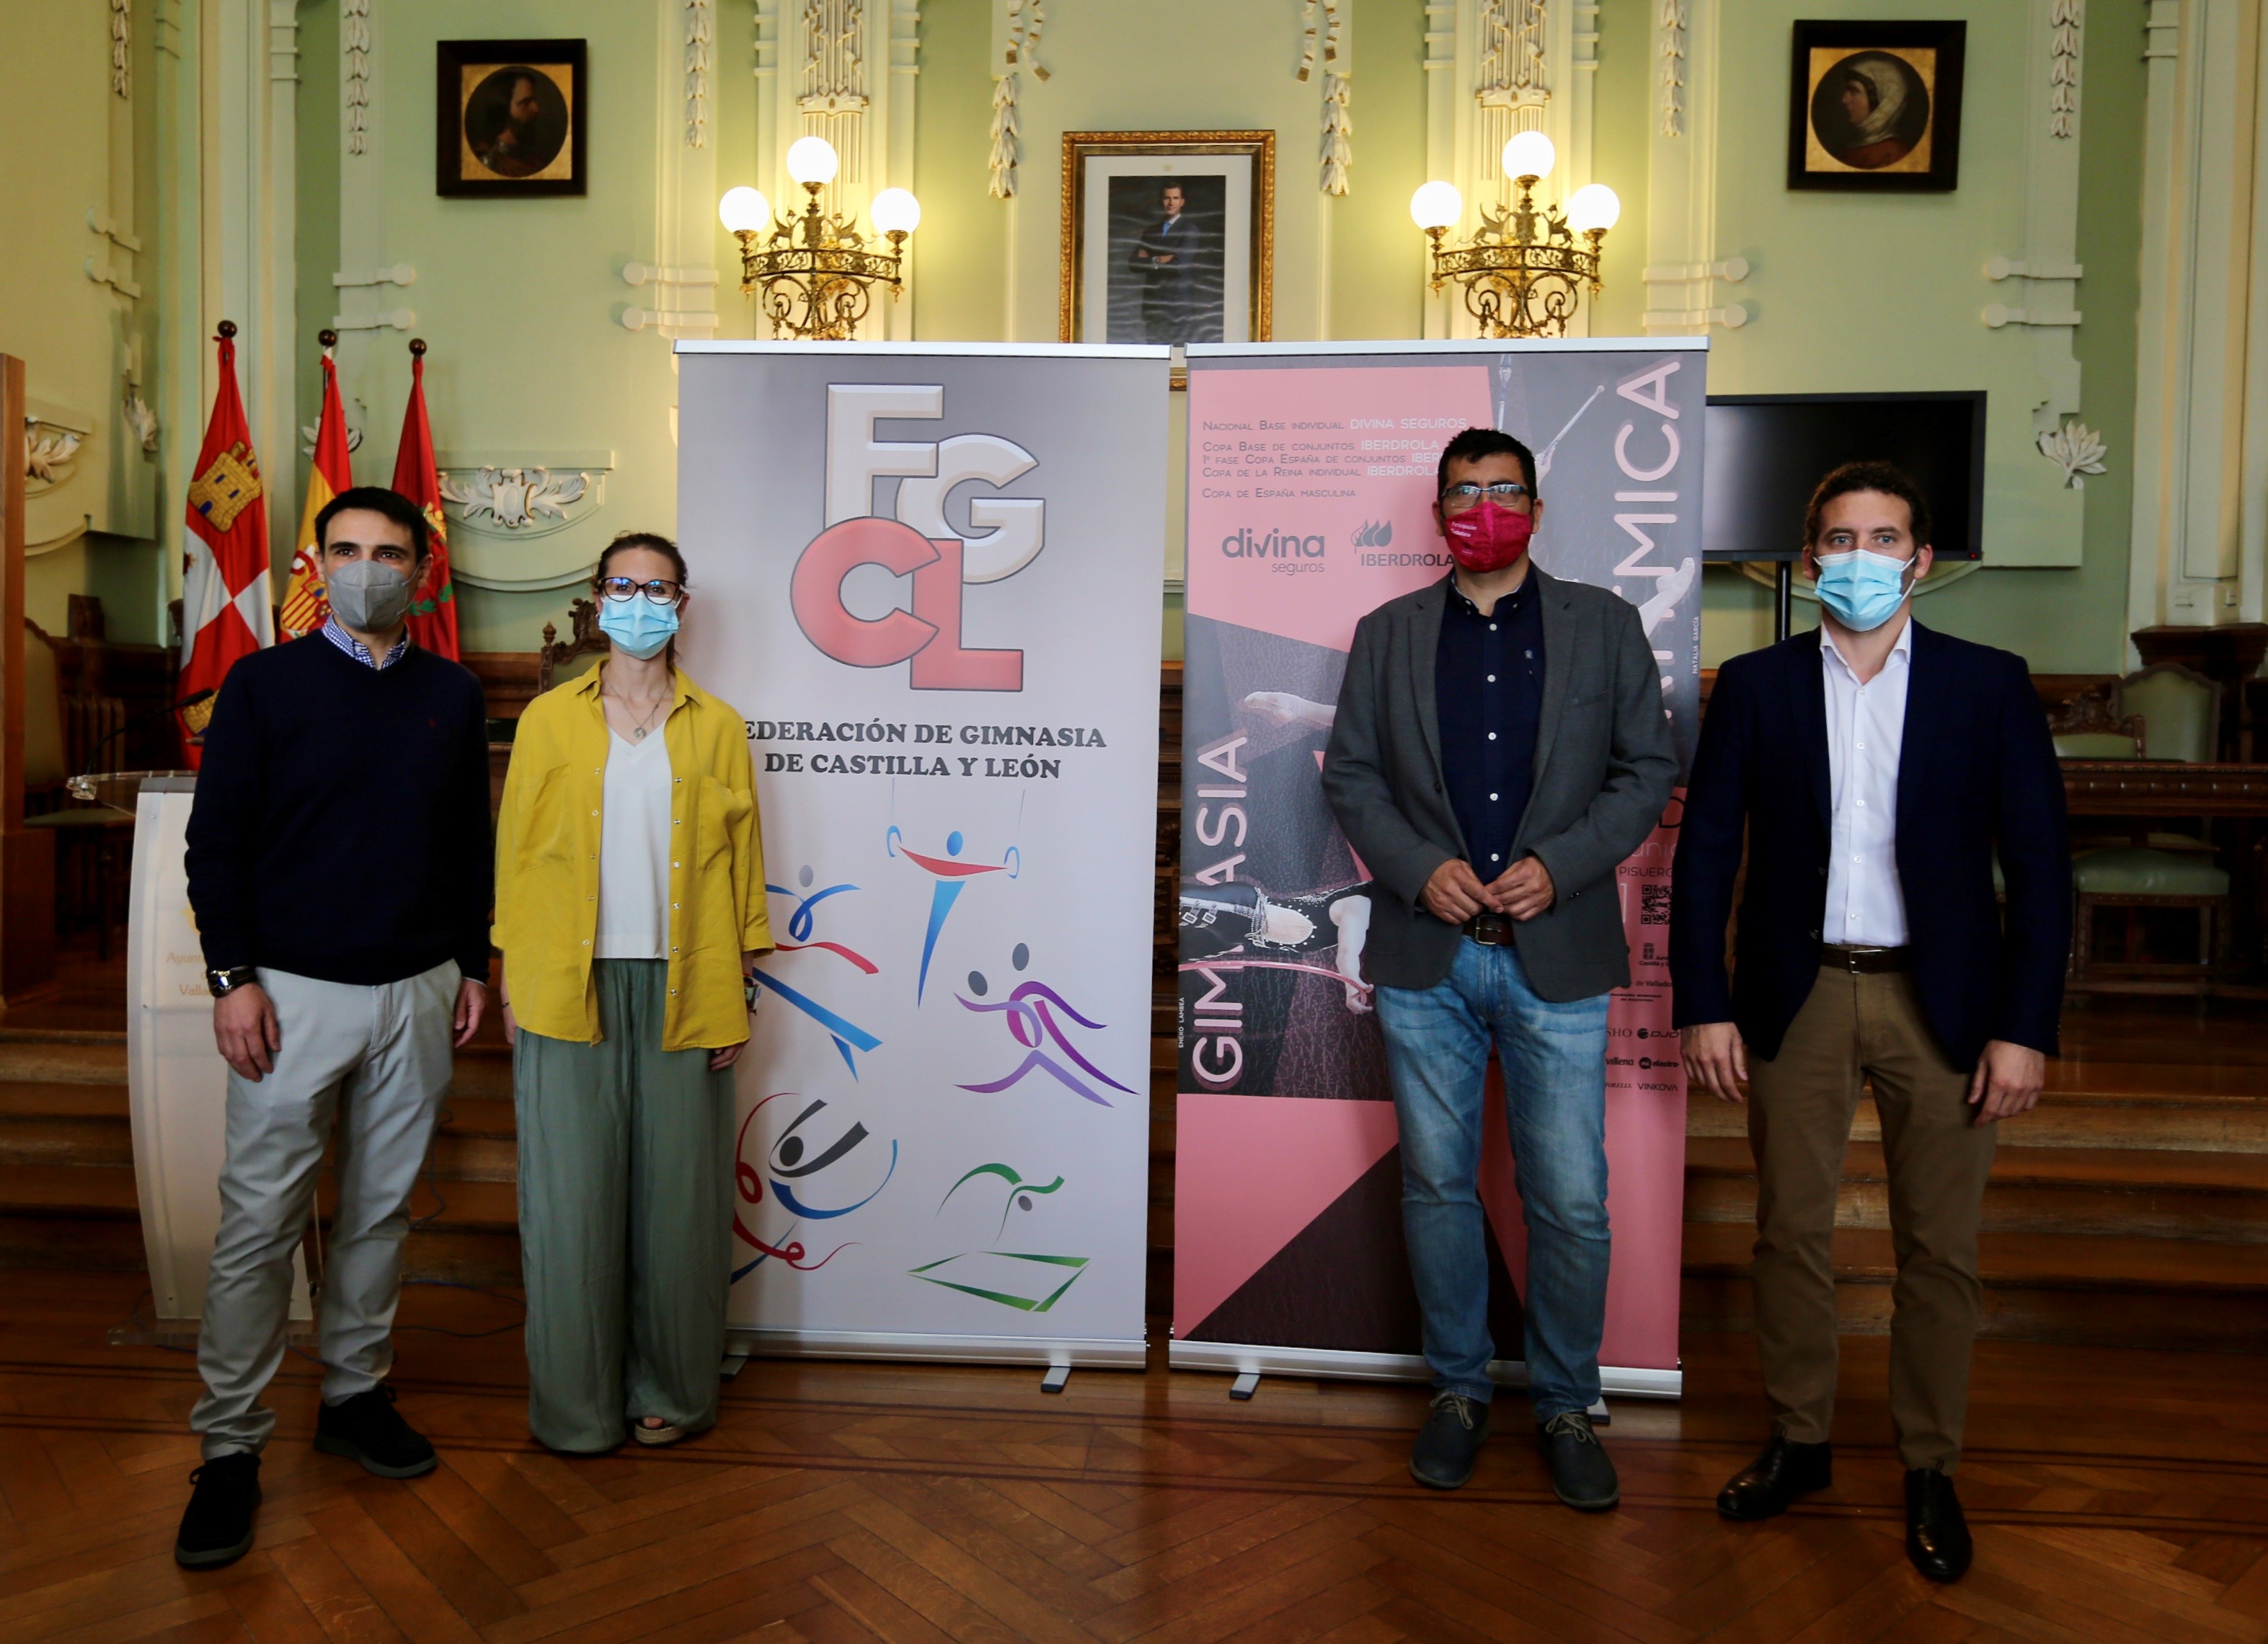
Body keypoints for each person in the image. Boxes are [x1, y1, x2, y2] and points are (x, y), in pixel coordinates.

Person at [1671, 461, 2070, 1585]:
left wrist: (2023, 1026)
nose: (1860, 556)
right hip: (1795, 997)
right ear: (1809, 561)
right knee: (1789, 1233)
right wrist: (1702, 1000)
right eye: (1839, 539)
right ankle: (1799, 1442)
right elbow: (1706, 858)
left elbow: (2040, 872)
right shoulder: (1753, 687)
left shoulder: (1988, 686)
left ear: (1919, 561)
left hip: (1944, 1005)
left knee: (1938, 1252)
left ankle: (1927, 1466)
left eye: (1883, 538)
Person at [1321, 427, 1677, 1506]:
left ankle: (1567, 1404)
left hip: (1552, 956)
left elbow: (1644, 767)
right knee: (1436, 1188)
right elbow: (1351, 777)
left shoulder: (1603, 627)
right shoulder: (1386, 635)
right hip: (1426, 956)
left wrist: (1559, 867)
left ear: (1535, 504)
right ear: (1437, 514)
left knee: (1567, 1198)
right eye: (1463, 492)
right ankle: (1460, 1390)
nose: (1484, 507)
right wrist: (1416, 867)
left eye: (1503, 490)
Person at [174, 486, 493, 1569]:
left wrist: (471, 962)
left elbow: (466, 846)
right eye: (347, 550)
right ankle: (228, 1450)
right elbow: (214, 847)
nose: (369, 567)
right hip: (288, 993)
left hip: (418, 986)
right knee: (259, 1224)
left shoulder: (450, 693)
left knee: (379, 1213)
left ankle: (354, 1393)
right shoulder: (261, 686)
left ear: (421, 571)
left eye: (389, 553)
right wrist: (232, 978)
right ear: (317, 565)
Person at [494, 531, 771, 1455]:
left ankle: (672, 1389)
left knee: (681, 1208)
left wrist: (736, 985)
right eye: (624, 585)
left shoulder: (719, 726)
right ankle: (576, 1405)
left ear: (682, 604)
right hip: (565, 986)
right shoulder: (547, 720)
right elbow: (517, 861)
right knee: (569, 1204)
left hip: (688, 984)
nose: (641, 601)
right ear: (598, 597)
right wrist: (507, 972)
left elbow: (744, 872)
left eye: (658, 588)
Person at [1130, 182, 1200, 344]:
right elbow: (1133, 264)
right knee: (1155, 362)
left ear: (1182, 201)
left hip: (1177, 310)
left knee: (1177, 362)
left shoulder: (1190, 230)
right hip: (1153, 309)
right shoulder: (1151, 231)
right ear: (1161, 201)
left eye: (1175, 198)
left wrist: (1148, 260)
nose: (1171, 203)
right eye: (1167, 198)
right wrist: (1158, 260)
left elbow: (1179, 267)